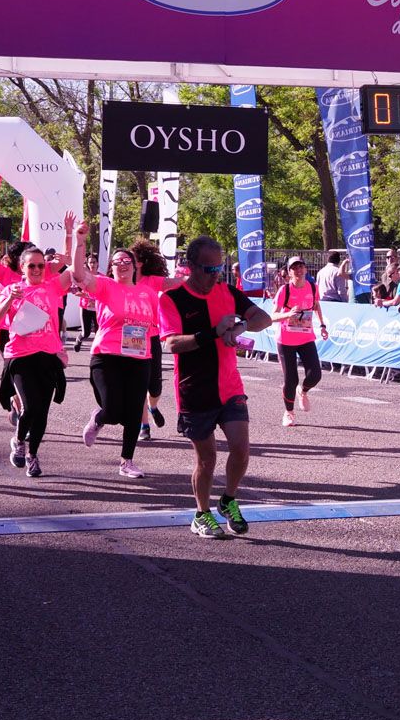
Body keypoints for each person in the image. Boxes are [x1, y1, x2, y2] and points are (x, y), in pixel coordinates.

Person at [158, 237, 272, 539]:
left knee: (241, 449)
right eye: (209, 269)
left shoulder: (227, 292)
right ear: (191, 267)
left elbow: (264, 317)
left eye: (219, 267)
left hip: (230, 386)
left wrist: (240, 327)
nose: (215, 274)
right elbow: (172, 344)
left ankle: (229, 499)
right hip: (195, 389)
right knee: (206, 459)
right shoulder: (171, 299)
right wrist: (212, 333)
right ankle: (201, 513)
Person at [0, 214, 76, 478]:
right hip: (21, 357)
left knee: (43, 411)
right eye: (31, 267)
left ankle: (33, 454)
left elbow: (72, 267)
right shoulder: (12, 289)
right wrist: (8, 301)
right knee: (29, 407)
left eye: (40, 266)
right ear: (22, 267)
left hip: (48, 356)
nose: (37, 270)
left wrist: (72, 235)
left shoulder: (52, 287)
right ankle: (18, 440)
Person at [72, 224, 159, 477]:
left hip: (139, 358)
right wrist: (79, 242)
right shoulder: (106, 286)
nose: (122, 264)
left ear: (135, 265)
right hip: (107, 356)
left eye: (126, 260)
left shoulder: (148, 293)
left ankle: (127, 462)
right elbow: (78, 274)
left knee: (133, 412)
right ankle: (98, 418)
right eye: (117, 261)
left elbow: (151, 329)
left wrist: (153, 358)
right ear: (111, 268)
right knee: (112, 409)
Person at [270, 257, 329, 427]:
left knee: (315, 375)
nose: (299, 270)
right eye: (294, 268)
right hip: (286, 339)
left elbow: (316, 305)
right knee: (290, 380)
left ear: (306, 269)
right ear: (289, 272)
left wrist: (323, 325)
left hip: (305, 337)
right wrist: (288, 315)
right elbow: (272, 316)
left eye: (301, 267)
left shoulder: (312, 287)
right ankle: (289, 413)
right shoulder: (284, 290)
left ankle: (302, 392)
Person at [131, 238, 173, 432]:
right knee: (138, 384)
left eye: (129, 259)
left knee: (155, 386)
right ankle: (143, 425)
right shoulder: (120, 282)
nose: (125, 263)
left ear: (139, 263)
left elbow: (174, 283)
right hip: (132, 336)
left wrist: (196, 277)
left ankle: (152, 405)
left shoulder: (151, 281)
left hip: (152, 335)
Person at [74, 253, 100, 352]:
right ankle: (79, 340)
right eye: (90, 262)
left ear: (97, 263)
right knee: (86, 333)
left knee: (99, 331)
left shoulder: (102, 277)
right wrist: (86, 295)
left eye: (94, 262)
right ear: (87, 264)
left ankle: (97, 351)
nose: (92, 264)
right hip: (85, 307)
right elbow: (76, 291)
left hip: (98, 308)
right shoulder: (83, 277)